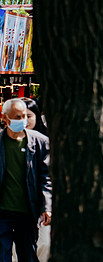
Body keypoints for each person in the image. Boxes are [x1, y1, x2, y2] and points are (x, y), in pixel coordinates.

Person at [0, 98, 51, 262]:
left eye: (24, 116)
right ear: (4, 118)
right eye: (17, 117)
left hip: (28, 210)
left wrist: (47, 206)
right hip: (2, 211)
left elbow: (47, 177)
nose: (22, 121)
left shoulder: (40, 142)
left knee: (28, 255)